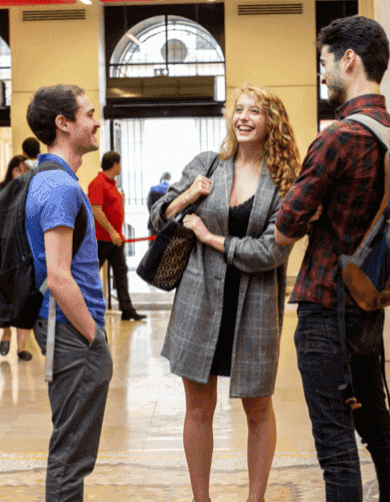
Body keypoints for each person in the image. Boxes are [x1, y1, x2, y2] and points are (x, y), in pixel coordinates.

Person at [274, 15, 390, 502]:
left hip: (326, 305)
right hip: (368, 304)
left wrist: (305, 213)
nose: (322, 73)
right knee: (379, 429)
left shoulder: (337, 137)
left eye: (324, 62)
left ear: (348, 59)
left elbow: (287, 225)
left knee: (335, 447)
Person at [149, 84, 300, 502]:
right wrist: (189, 195)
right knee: (198, 409)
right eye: (238, 109)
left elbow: (270, 251)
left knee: (258, 410)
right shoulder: (208, 165)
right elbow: (157, 215)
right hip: (200, 304)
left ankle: (256, 498)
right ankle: (202, 499)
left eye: (255, 110)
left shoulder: (283, 180)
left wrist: (210, 237)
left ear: (272, 122)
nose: (244, 117)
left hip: (253, 308)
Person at [25, 84, 113, 502]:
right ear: (64, 124)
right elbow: (59, 277)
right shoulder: (59, 187)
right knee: (71, 454)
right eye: (88, 114)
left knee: (73, 450)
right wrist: (93, 335)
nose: (96, 122)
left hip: (67, 330)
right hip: (72, 333)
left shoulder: (53, 179)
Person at [0, 154, 33, 362]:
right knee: (6, 294)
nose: (21, 174)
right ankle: (6, 332)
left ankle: (21, 348)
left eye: (24, 170)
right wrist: (5, 215)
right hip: (5, 253)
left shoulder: (31, 191)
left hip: (26, 252)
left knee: (26, 298)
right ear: (10, 171)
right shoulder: (0, 190)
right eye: (17, 169)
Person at [88, 151, 146, 321]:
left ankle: (127, 310)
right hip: (102, 239)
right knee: (90, 275)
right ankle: (85, 308)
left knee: (121, 273)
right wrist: (112, 231)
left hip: (115, 239)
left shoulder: (112, 184)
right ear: (114, 164)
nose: (120, 166)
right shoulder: (98, 183)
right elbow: (96, 210)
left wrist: (116, 233)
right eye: (119, 163)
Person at [146, 171, 171, 238]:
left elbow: (149, 205)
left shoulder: (153, 189)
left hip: (154, 223)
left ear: (161, 179)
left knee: (153, 246)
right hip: (167, 224)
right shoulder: (172, 190)